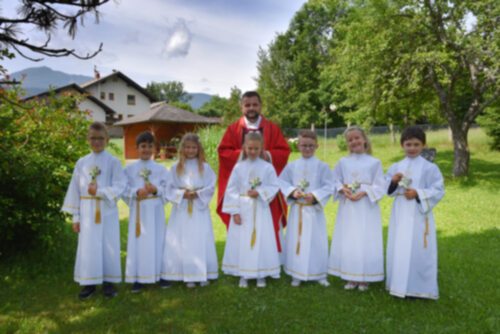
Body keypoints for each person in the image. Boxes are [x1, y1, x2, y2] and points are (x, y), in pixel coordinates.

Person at [217, 91, 290, 255]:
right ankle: (242, 260)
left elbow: (284, 151)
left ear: (260, 106)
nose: (251, 108)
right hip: (243, 189)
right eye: (247, 105)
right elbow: (223, 152)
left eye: (254, 104)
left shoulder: (272, 128)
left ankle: (269, 259)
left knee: (268, 222)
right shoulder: (234, 129)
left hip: (265, 190)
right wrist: (244, 154)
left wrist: (267, 155)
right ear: (241, 107)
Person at [62, 122, 126, 299]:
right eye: (93, 138)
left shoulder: (113, 161)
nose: (96, 142)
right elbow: (74, 190)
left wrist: (99, 192)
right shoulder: (82, 163)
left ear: (107, 139)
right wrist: (76, 217)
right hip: (87, 212)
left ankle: (108, 283)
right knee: (88, 247)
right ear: (87, 139)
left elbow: (120, 185)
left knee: (108, 245)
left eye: (100, 138)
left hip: (107, 211)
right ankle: (89, 283)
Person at [385, 126, 444, 300]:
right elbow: (387, 189)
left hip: (419, 214)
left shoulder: (429, 168)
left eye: (416, 144)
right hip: (401, 213)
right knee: (399, 247)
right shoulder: (397, 166)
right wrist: (394, 182)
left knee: (419, 249)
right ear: (402, 145)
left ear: (423, 145)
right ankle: (397, 285)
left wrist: (418, 193)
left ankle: (419, 288)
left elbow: (438, 189)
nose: (412, 148)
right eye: (408, 144)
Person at [328, 126, 385, 291]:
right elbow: (333, 180)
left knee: (365, 239)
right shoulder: (342, 162)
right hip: (348, 207)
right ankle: (350, 275)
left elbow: (380, 185)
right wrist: (342, 189)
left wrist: (364, 192)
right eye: (350, 140)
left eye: (357, 138)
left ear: (364, 139)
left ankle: (364, 277)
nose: (354, 142)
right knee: (349, 239)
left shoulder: (375, 162)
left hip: (366, 207)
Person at [222, 132, 281, 288]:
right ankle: (244, 274)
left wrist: (260, 192)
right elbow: (231, 189)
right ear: (244, 148)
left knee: (261, 239)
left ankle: (260, 273)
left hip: (260, 208)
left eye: (256, 148)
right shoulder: (238, 167)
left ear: (262, 148)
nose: (253, 151)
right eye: (250, 148)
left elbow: (274, 186)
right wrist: (234, 211)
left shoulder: (267, 167)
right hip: (242, 208)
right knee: (243, 241)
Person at [161, 133, 218, 288]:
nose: (191, 150)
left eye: (194, 147)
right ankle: (187, 274)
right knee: (183, 239)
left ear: (198, 149)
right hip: (182, 209)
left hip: (199, 209)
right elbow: (168, 187)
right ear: (182, 149)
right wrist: (182, 194)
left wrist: (197, 194)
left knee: (200, 238)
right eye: (187, 147)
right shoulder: (175, 168)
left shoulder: (205, 167)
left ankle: (201, 273)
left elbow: (212, 185)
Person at [279, 130, 332, 287]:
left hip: (314, 212)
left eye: (310, 146)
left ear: (316, 146)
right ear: (298, 146)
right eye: (304, 145)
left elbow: (329, 185)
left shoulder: (322, 166)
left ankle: (319, 273)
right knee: (298, 240)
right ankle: (297, 273)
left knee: (316, 241)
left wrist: (315, 195)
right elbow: (281, 182)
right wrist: (293, 192)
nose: (307, 148)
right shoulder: (292, 166)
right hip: (298, 210)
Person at [123, 131, 170, 293]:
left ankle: (161, 275)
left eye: (150, 146)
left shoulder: (161, 169)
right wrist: (136, 192)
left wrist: (156, 190)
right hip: (139, 211)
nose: (146, 149)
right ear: (137, 148)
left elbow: (168, 188)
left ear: (154, 148)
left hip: (155, 210)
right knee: (139, 243)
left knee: (159, 240)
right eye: (143, 146)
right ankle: (138, 278)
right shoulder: (129, 170)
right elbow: (123, 189)